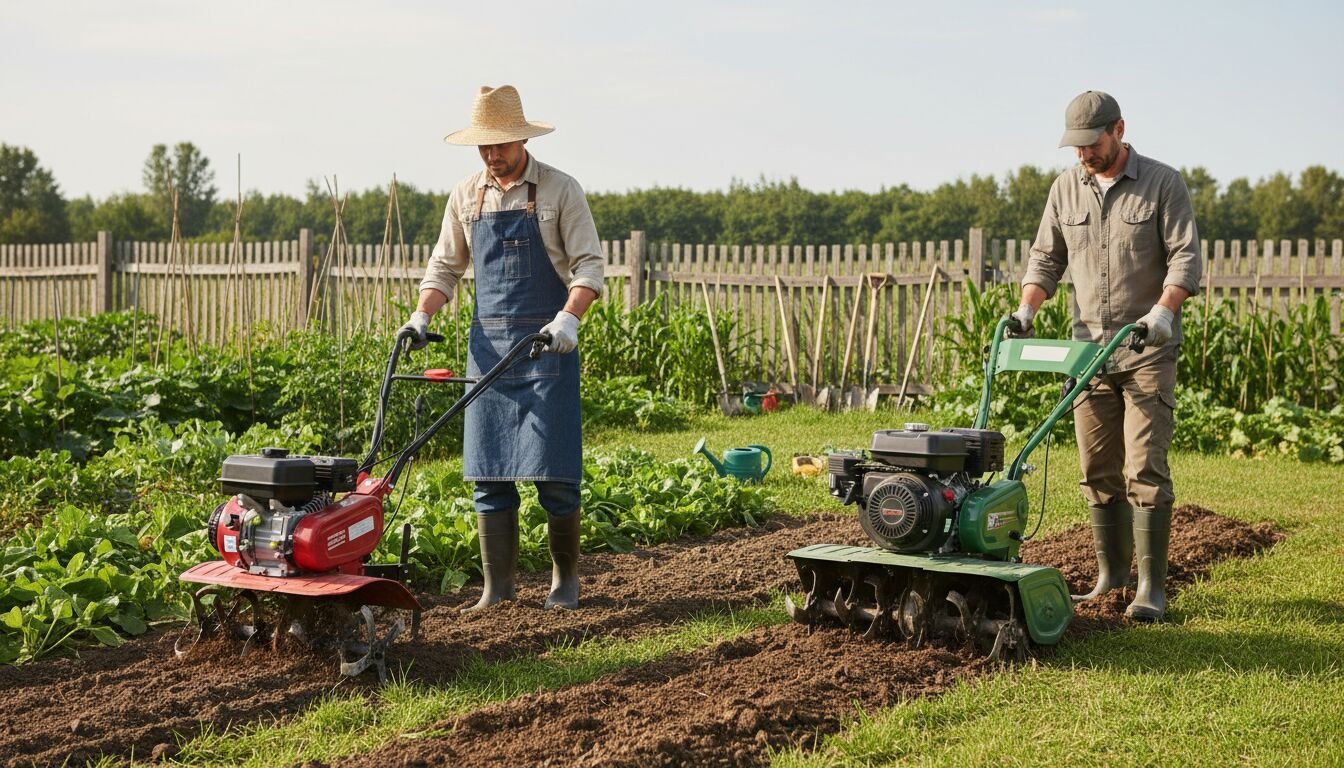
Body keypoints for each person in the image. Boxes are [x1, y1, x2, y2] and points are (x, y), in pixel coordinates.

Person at [401, 85, 604, 611]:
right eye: (484, 146)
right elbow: (444, 267)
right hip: (488, 351)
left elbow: (589, 266)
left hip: (546, 346)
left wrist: (569, 319)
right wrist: (423, 313)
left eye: (501, 144)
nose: (493, 155)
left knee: (555, 473)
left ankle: (565, 580)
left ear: (521, 137)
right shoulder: (467, 196)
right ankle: (498, 589)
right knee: (488, 475)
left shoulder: (561, 190)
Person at [1011, 90, 1202, 622]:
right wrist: (1026, 310)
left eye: (1091, 144)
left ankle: (1150, 588)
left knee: (1144, 467)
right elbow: (1046, 258)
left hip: (1145, 350)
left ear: (1119, 130)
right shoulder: (1065, 189)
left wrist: (1164, 310)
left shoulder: (1163, 182)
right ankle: (1111, 575)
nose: (1083, 156)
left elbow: (1186, 257)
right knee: (1097, 469)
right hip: (1087, 354)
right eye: (1075, 147)